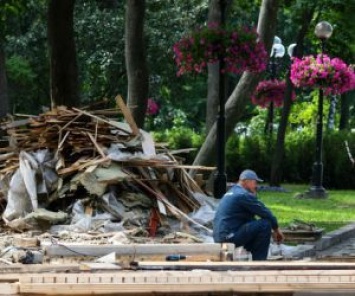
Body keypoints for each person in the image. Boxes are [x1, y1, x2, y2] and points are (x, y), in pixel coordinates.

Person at [213, 169, 284, 260]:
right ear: (246, 181)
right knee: (265, 224)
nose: (256, 186)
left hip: (221, 236)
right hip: (229, 237)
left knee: (254, 223)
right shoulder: (243, 195)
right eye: (255, 183)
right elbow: (265, 212)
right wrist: (277, 229)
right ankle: (259, 263)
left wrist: (254, 195)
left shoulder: (232, 192)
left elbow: (250, 218)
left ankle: (253, 256)